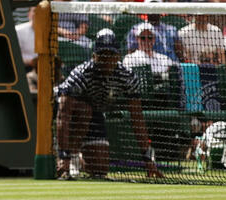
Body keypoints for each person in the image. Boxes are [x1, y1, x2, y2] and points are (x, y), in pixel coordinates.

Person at [55, 29, 162, 179]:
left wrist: (147, 159)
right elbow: (63, 116)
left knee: (99, 170)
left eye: (110, 55)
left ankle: (80, 160)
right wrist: (64, 156)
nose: (106, 60)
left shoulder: (127, 77)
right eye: (102, 55)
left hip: (95, 113)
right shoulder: (80, 74)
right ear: (94, 56)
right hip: (66, 112)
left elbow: (137, 119)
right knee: (84, 110)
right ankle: (70, 157)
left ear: (118, 56)